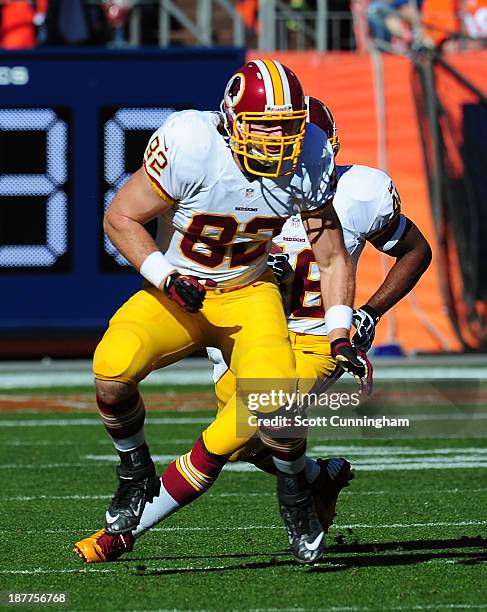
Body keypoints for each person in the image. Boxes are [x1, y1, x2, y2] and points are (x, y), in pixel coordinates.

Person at [73, 60, 369, 565]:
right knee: (111, 371)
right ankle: (133, 470)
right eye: (264, 127)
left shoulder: (310, 156)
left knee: (275, 403)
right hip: (181, 291)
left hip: (249, 294)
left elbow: (333, 254)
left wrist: (340, 331)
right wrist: (165, 275)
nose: (278, 141)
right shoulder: (192, 142)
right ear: (232, 120)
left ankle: (298, 495)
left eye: (287, 128)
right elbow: (120, 216)